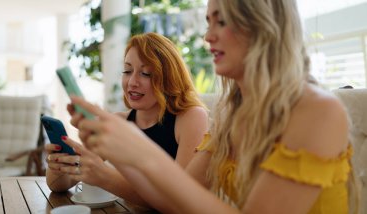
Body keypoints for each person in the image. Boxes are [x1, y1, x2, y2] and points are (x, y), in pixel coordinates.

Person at [62, 0, 358, 213]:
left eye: (222, 21)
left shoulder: (319, 111)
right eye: (209, 22)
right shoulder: (235, 114)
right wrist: (118, 150)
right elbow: (175, 198)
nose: (207, 36)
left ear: (262, 26)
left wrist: (141, 150)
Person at [45, 32, 209, 208]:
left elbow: (182, 202)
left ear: (169, 78)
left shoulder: (191, 117)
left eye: (145, 73)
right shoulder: (119, 122)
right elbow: (60, 185)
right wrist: (59, 165)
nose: (132, 82)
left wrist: (106, 177)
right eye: (127, 71)